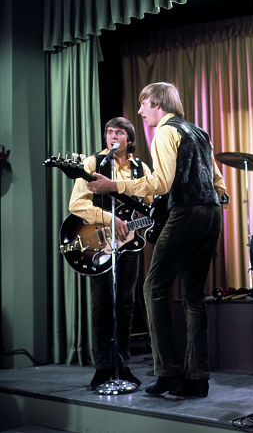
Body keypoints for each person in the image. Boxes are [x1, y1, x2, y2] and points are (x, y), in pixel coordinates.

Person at [85, 82, 229, 398]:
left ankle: (169, 374)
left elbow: (161, 183)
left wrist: (115, 186)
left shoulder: (165, 131)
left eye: (144, 104)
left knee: (153, 288)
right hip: (212, 213)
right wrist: (215, 199)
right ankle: (198, 378)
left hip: (187, 213)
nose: (140, 111)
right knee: (193, 294)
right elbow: (218, 180)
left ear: (158, 104)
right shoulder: (198, 131)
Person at [69, 117, 152, 390]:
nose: (112, 136)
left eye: (118, 132)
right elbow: (76, 205)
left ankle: (123, 365)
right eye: (109, 132)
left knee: (126, 305)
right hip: (99, 242)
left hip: (129, 243)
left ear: (130, 138)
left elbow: (153, 204)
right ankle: (103, 368)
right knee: (102, 304)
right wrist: (107, 218)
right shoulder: (92, 163)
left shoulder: (140, 167)